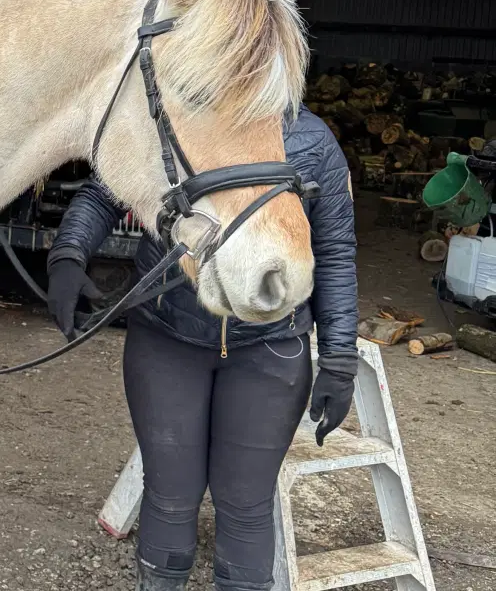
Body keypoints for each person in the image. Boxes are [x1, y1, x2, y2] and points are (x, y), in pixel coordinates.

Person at [47, 107, 358, 591]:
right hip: (167, 339)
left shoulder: (312, 142)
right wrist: (69, 252)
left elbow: (335, 249)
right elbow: (104, 194)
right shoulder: (174, 124)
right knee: (170, 496)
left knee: (246, 504)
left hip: (269, 351)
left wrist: (340, 357)